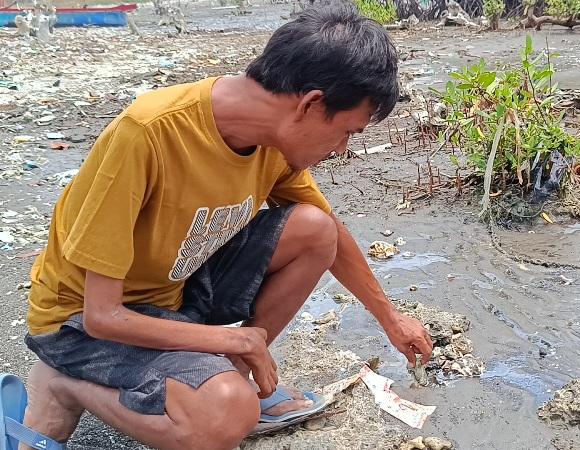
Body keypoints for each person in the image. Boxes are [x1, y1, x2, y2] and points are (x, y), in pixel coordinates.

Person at [19, 4, 433, 449]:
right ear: (311, 104)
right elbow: (103, 316)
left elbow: (329, 231)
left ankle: (227, 379)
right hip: (77, 323)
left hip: (173, 295)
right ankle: (64, 385)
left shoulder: (271, 142)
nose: (341, 149)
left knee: (316, 230)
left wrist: (390, 319)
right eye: (347, 132)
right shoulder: (149, 133)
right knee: (226, 415)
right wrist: (230, 339)